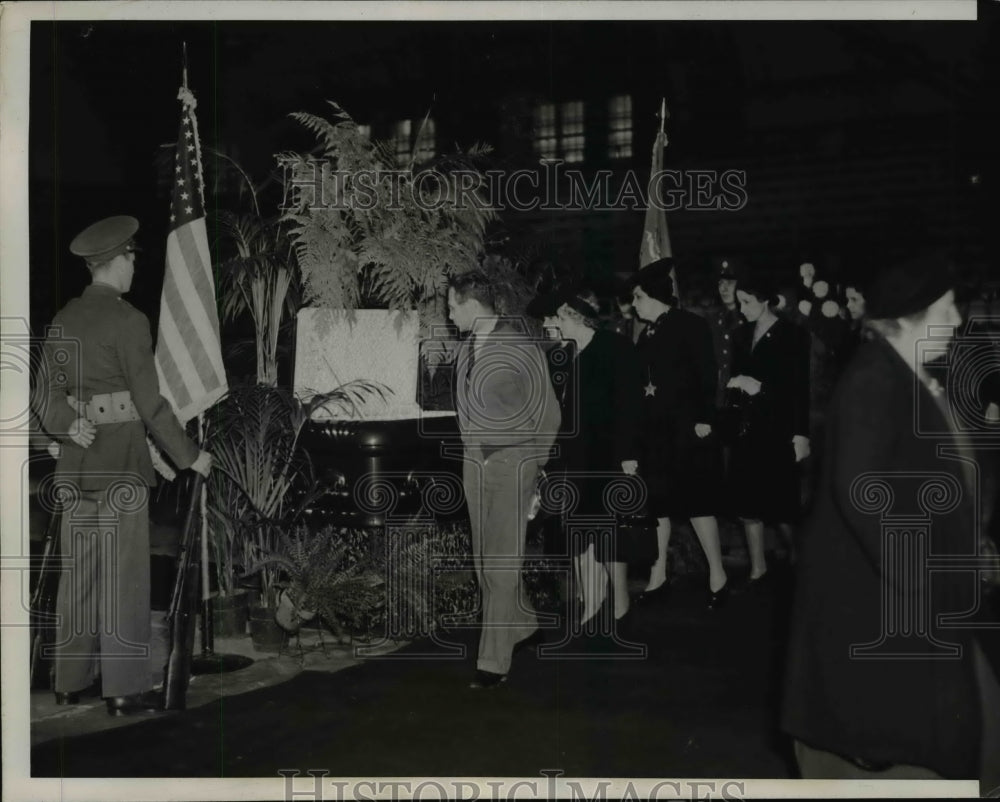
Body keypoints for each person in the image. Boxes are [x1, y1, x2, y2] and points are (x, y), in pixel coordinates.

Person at [781, 251, 1000, 789]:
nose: (955, 323)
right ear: (911, 315)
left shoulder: (912, 378)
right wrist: (935, 576)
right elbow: (865, 495)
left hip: (918, 599)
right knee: (908, 742)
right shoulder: (876, 381)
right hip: (888, 603)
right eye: (946, 310)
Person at [33, 216, 213, 716]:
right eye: (132, 259)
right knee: (124, 578)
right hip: (121, 469)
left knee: (80, 576)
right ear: (116, 261)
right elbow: (151, 404)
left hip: (76, 467)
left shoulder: (63, 319)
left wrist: (68, 427)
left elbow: (44, 395)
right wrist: (190, 455)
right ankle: (123, 688)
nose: (135, 267)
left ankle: (70, 682)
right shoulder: (129, 321)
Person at [448, 270, 560, 689]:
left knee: (499, 564)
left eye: (451, 306)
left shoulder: (519, 346)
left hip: (514, 465)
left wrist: (536, 469)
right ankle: (526, 624)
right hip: (475, 466)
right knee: (484, 562)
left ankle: (492, 663)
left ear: (472, 305)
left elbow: (548, 413)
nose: (449, 314)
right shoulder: (467, 349)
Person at [529, 287, 643, 629]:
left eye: (554, 318)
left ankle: (620, 604)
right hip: (572, 458)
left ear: (571, 316)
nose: (550, 325)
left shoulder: (614, 348)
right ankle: (592, 606)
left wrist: (629, 456)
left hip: (609, 456)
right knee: (578, 534)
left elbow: (630, 407)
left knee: (609, 535)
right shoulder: (562, 356)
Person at [630, 257, 729, 609]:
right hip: (657, 437)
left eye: (637, 297)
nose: (632, 304)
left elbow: (708, 371)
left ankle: (718, 575)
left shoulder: (691, 325)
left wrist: (705, 417)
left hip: (689, 430)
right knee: (658, 508)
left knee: (698, 504)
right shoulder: (645, 336)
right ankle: (658, 579)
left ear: (655, 295)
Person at [726, 273, 810, 579]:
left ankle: (801, 559)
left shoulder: (793, 335)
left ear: (764, 301)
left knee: (781, 504)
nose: (742, 308)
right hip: (746, 429)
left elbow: (798, 388)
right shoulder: (739, 335)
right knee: (747, 503)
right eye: (739, 303)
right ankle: (758, 569)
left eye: (746, 302)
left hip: (778, 429)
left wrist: (801, 433)